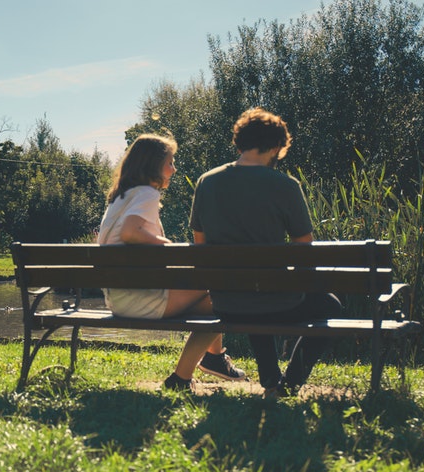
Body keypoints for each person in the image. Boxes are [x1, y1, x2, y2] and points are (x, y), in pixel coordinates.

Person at [189, 107, 342, 399]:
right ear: (275, 147)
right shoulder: (285, 185)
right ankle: (291, 382)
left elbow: (200, 244)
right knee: (330, 306)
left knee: (254, 291)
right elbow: (303, 248)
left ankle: (272, 380)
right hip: (274, 299)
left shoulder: (207, 182)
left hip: (225, 300)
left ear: (240, 141)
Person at [98, 133, 245, 390]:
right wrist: (168, 247)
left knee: (214, 301)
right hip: (141, 299)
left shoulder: (121, 197)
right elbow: (130, 232)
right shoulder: (146, 193)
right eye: (170, 162)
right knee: (229, 298)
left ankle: (214, 358)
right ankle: (186, 375)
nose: (174, 169)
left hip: (120, 298)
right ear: (152, 165)